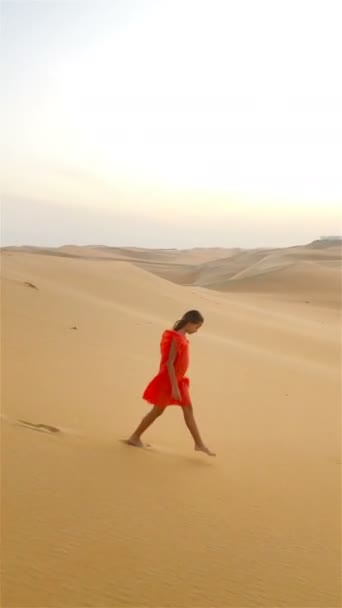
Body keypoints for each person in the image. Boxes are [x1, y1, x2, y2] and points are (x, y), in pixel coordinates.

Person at [127, 310, 215, 456]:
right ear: (190, 323)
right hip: (169, 382)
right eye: (197, 327)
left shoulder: (182, 337)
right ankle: (134, 437)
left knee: (188, 409)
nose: (197, 330)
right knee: (157, 411)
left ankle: (199, 443)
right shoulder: (176, 338)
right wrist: (174, 387)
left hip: (179, 381)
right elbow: (169, 364)